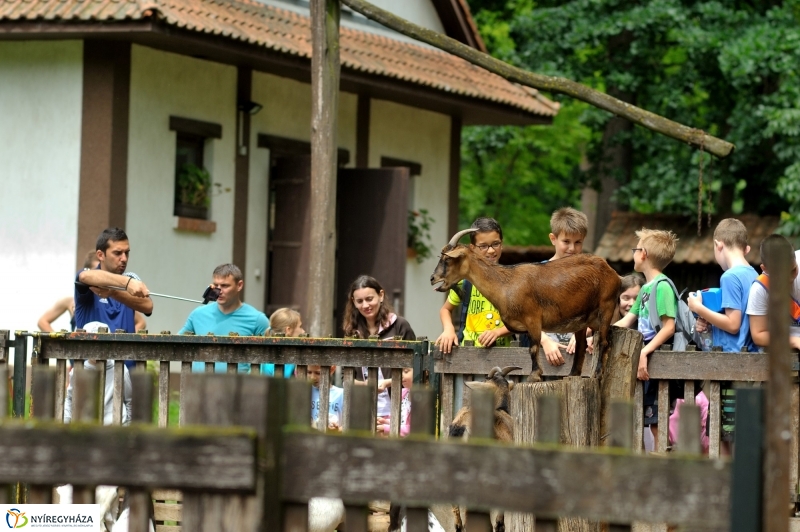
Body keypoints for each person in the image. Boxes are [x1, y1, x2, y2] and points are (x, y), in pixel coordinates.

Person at [687, 218, 758, 452]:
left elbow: (734, 324)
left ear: (719, 245)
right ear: (745, 248)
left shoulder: (729, 277)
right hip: (750, 365)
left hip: (730, 367)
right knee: (743, 437)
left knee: (725, 441)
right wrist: (710, 324)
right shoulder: (753, 274)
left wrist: (698, 309)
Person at [614, 228, 680, 446]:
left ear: (643, 254)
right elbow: (626, 321)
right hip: (647, 361)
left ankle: (664, 463)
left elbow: (668, 327)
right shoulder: (645, 289)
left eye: (635, 249)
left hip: (657, 360)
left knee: (656, 421)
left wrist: (644, 351)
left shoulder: (662, 287)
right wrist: (594, 335)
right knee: (645, 419)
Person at [434, 217, 512, 354]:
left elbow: (524, 321)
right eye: (483, 246)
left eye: (495, 244)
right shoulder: (465, 282)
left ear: (502, 244)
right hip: (467, 354)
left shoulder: (512, 281)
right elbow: (445, 310)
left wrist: (498, 332)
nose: (491, 251)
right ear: (472, 248)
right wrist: (448, 329)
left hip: (504, 357)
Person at [342, 275, 415, 418]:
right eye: (359, 301)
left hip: (398, 408)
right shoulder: (351, 331)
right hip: (364, 410)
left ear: (381, 295)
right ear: (353, 302)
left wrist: (386, 383)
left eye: (369, 299)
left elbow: (414, 371)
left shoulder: (400, 325)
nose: (365, 305)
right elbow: (346, 376)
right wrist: (365, 385)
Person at [180, 264, 269, 373]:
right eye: (216, 285)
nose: (219, 291)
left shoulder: (257, 319)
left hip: (239, 387)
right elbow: (176, 344)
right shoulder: (198, 314)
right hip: (200, 386)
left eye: (225, 286)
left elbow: (268, 362)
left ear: (239, 285)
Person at [75, 229, 153, 334]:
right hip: (91, 350)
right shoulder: (91, 276)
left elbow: (148, 306)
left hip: (127, 350)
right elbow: (84, 276)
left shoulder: (130, 278)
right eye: (118, 253)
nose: (124, 258)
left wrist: (114, 292)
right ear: (100, 255)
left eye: (127, 253)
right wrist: (127, 283)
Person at [539, 207, 588, 362]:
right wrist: (545, 341)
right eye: (566, 241)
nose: (572, 248)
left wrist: (583, 334)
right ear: (553, 238)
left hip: (579, 354)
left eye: (578, 242)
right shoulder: (537, 273)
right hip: (545, 353)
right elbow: (526, 316)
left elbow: (597, 313)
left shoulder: (589, 275)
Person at [64, 321, 132, 425]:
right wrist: (66, 421)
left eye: (101, 344)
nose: (96, 349)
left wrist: (128, 426)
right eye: (92, 344)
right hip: (87, 429)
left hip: (116, 428)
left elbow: (129, 400)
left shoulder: (121, 369)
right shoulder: (78, 370)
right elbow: (70, 398)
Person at [746, 234, 800, 350]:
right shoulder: (759, 289)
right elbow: (758, 334)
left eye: (793, 270)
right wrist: (794, 341)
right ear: (765, 269)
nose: (790, 279)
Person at [261, 307, 303, 376]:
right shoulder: (286, 358)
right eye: (300, 327)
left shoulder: (267, 352)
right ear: (288, 330)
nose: (303, 331)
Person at [302, 364, 343, 431]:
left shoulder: (341, 394)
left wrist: (337, 430)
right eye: (309, 372)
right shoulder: (304, 391)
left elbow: (350, 425)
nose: (313, 377)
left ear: (332, 369)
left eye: (318, 373)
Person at [376, 366, 412, 437]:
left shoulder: (422, 399)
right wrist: (385, 421)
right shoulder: (402, 392)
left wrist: (387, 428)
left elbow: (415, 429)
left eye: (406, 371)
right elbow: (400, 421)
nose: (401, 375)